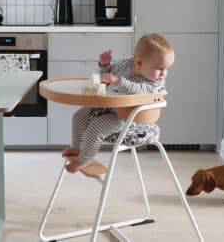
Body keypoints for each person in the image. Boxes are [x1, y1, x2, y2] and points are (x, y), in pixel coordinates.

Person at [62, 33, 175, 173]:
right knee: (79, 116)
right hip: (107, 106)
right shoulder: (126, 64)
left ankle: (84, 159)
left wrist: (118, 81)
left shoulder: (153, 84)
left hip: (128, 118)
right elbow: (108, 76)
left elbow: (138, 90)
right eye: (159, 68)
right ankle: (78, 147)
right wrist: (105, 65)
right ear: (138, 62)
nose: (164, 74)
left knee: (96, 127)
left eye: (167, 69)